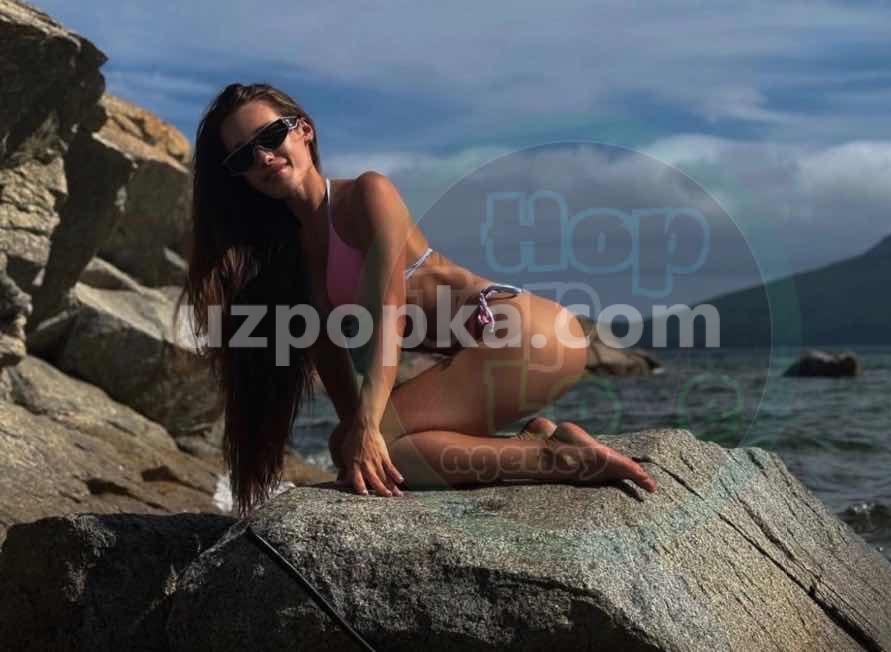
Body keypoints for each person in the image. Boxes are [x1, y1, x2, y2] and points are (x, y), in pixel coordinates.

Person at [175, 82, 657, 516]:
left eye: (270, 135)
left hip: (525, 332)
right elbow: (329, 356)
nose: (262, 157)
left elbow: (390, 311)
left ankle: (561, 459)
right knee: (357, 448)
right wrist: (356, 434)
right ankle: (541, 443)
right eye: (243, 156)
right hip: (492, 353)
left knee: (371, 443)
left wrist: (369, 427)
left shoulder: (367, 194)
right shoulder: (292, 257)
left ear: (303, 130)